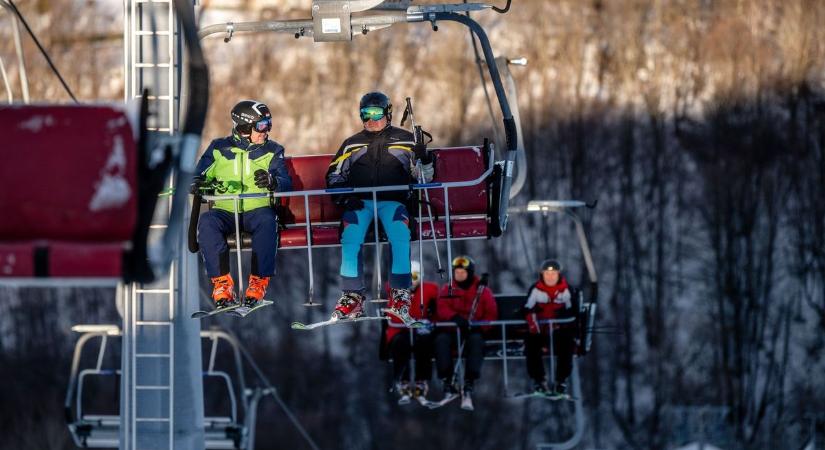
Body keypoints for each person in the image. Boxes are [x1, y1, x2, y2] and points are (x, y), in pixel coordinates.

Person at [325, 91, 434, 321]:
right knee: (350, 235)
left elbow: (424, 179)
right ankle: (352, 295)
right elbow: (334, 175)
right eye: (365, 114)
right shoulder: (351, 143)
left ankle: (401, 292)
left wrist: (424, 159)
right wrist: (345, 198)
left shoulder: (406, 140)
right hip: (361, 202)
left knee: (399, 234)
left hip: (393, 201)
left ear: (388, 114)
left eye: (376, 113)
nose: (371, 119)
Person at [191, 100, 292, 309]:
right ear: (245, 128)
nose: (267, 131)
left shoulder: (273, 151)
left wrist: (273, 182)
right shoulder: (218, 148)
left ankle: (258, 283)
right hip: (225, 211)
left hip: (257, 210)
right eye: (262, 126)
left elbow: (286, 182)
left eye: (269, 124)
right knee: (208, 222)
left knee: (267, 221)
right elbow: (198, 175)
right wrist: (199, 183)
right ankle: (222, 286)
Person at [434, 256, 498, 409]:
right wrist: (454, 318)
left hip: (473, 330)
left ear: (469, 273)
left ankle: (469, 380)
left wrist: (479, 327)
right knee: (441, 340)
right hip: (453, 330)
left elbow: (491, 313)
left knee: (476, 341)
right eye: (457, 272)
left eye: (463, 272)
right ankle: (447, 378)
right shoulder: (447, 289)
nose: (460, 275)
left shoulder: (482, 291)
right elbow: (441, 307)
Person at [382, 261, 440, 403]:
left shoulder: (430, 290)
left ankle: (422, 380)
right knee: (401, 344)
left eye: (414, 277)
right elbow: (394, 314)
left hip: (422, 330)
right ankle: (403, 380)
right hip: (400, 330)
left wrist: (432, 314)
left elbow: (439, 313)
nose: (411, 281)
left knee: (425, 343)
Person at [523, 259, 576, 396]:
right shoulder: (536, 289)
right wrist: (533, 320)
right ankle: (539, 380)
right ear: (542, 275)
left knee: (566, 342)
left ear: (559, 275)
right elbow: (527, 309)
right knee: (531, 341)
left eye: (553, 274)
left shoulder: (566, 290)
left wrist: (563, 318)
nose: (550, 277)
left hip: (559, 331)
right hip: (541, 331)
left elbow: (573, 311)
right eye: (547, 274)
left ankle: (561, 380)